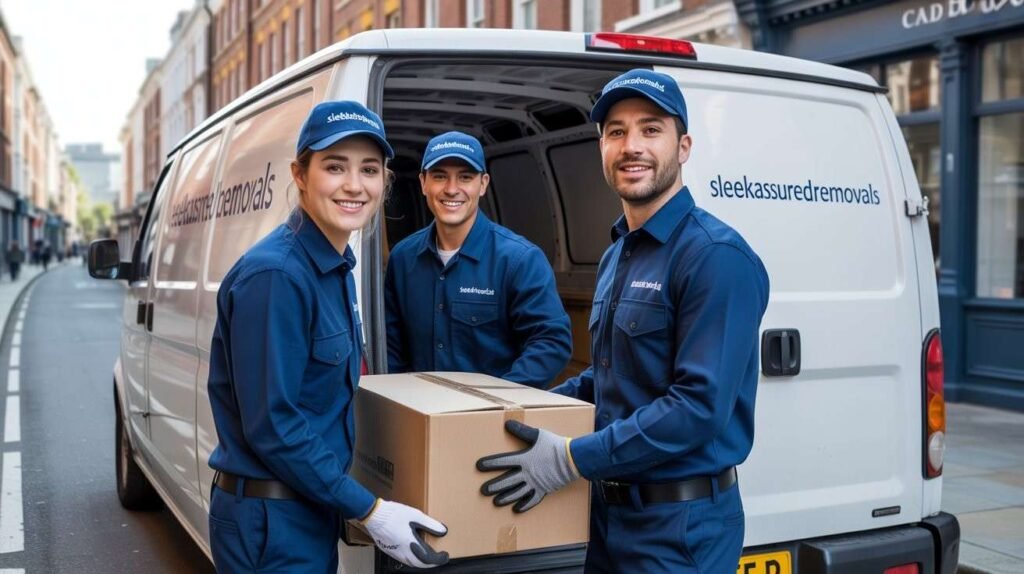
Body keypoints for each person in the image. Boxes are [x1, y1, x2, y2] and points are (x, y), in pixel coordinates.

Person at [476, 69, 770, 573]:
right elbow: (611, 374)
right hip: (609, 519)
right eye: (616, 131)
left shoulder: (715, 256)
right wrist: (527, 409)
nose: (631, 145)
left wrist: (570, 459)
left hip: (680, 529)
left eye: (651, 129)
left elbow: (697, 407)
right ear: (602, 148)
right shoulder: (619, 253)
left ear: (684, 146)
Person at [207, 100, 449, 572]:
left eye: (369, 169)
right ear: (300, 175)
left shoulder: (335, 266)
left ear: (385, 181)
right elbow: (274, 426)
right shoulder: (277, 275)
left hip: (306, 507)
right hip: (271, 521)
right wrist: (370, 510)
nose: (354, 185)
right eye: (335, 167)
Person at [384, 131, 572, 389]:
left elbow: (551, 342)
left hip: (492, 421)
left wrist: (496, 402)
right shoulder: (403, 259)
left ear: (483, 184)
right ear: (423, 182)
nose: (452, 189)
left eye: (465, 177)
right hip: (418, 415)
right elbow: (391, 348)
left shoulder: (519, 260)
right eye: (440, 176)